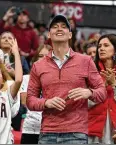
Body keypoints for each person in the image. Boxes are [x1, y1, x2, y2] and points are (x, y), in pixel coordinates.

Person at [27, 15, 107, 144]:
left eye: (64, 27)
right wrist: (46, 102)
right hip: (48, 133)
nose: (59, 29)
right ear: (49, 35)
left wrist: (89, 92)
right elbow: (30, 100)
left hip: (77, 134)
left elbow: (102, 92)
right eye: (55, 27)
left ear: (70, 35)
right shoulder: (38, 65)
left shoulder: (85, 61)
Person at [88, 34, 116, 144]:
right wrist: (103, 86)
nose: (101, 48)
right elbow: (83, 102)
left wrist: (114, 84)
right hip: (93, 132)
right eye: (100, 46)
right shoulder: (89, 71)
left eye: (106, 45)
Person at [20, 44, 52, 144]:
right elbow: (25, 101)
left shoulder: (58, 80)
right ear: (35, 59)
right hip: (30, 128)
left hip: (51, 129)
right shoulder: (26, 79)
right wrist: (47, 102)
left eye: (47, 56)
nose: (43, 59)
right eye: (40, 56)